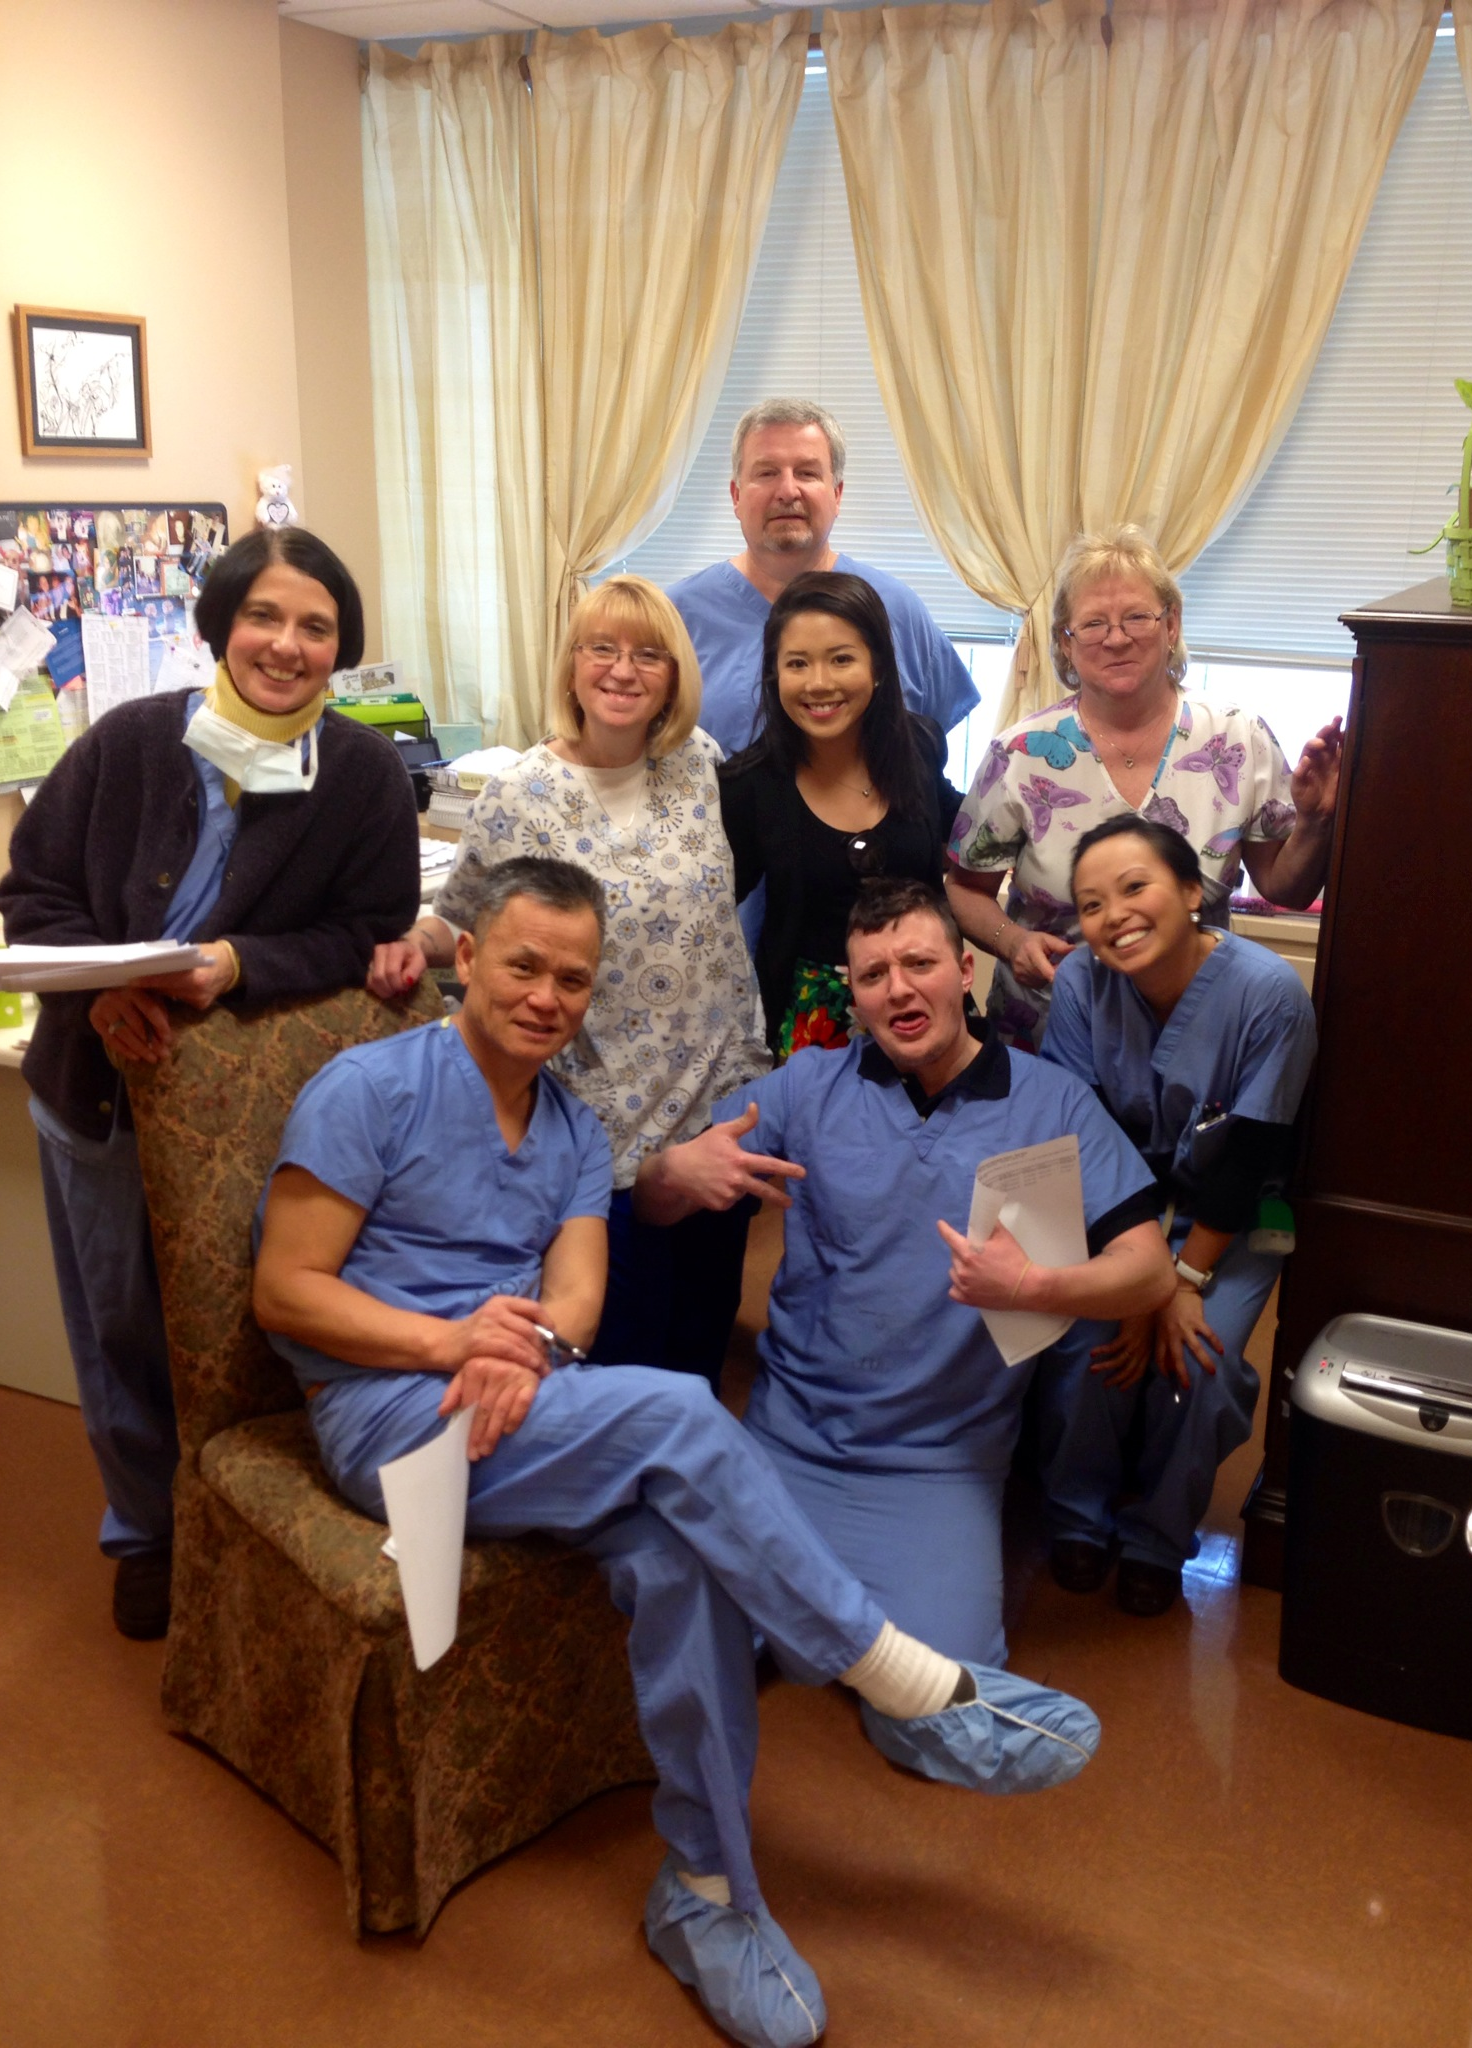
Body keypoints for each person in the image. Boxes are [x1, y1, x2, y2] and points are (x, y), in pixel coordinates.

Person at [253, 856, 1101, 2048]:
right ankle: (891, 1667)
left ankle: (706, 1891)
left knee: (681, 1548)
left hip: (527, 1397)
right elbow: (285, 1292)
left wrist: (522, 1345)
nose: (546, 995)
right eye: (523, 965)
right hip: (392, 1413)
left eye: (572, 978)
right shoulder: (368, 1089)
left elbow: (579, 1305)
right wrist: (454, 1343)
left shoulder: (569, 1127)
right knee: (681, 1411)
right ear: (469, 956)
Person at [0, 526, 419, 1640]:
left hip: (245, 1106)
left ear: (344, 645)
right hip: (96, 1081)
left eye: (316, 626)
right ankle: (145, 1530)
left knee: (241, 1323)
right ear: (220, 626)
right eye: (265, 617)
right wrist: (100, 991)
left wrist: (240, 963)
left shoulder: (366, 774)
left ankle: (236, 1514)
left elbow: (368, 929)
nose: (287, 644)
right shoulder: (131, 740)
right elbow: (30, 886)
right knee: (123, 1320)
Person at [633, 878, 1176, 1668]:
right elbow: (653, 1207)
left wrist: (1033, 1288)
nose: (899, 989)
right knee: (680, 1645)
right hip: (791, 1439)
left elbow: (1150, 1273)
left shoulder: (1052, 1105)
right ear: (852, 994)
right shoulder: (807, 1087)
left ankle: (839, 1604)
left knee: (936, 1702)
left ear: (964, 970)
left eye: (918, 963)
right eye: (873, 976)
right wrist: (673, 1172)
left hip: (939, 1462)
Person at [367, 576, 768, 1389]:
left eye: (648, 654)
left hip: (718, 1105)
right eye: (602, 649)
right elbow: (461, 919)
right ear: (573, 665)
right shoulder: (521, 792)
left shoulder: (699, 766)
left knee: (699, 1340)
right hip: (596, 1127)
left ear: (674, 675)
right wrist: (413, 939)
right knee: (608, 1356)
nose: (623, 670)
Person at [1036, 815, 1318, 1616]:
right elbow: (1081, 1140)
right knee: (1086, 1337)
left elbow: (1252, 1152)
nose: (1113, 915)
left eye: (1135, 887)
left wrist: (1178, 1280)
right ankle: (1077, 1516)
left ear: (1193, 892)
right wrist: (1132, 1278)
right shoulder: (1083, 987)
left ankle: (1159, 1535)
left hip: (1232, 1213)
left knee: (1203, 1357)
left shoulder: (1267, 995)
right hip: (1118, 1211)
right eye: (1090, 904)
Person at [946, 524, 1343, 1050]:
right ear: (1066, 642)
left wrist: (1315, 822)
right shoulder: (1019, 755)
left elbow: (1284, 887)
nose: (1116, 637)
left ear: (1171, 624)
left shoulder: (1237, 738)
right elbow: (963, 887)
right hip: (1048, 1032)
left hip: (1195, 1033)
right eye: (1092, 624)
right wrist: (1013, 942)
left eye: (1137, 616)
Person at [718, 572, 965, 1056]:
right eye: (797, 663)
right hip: (812, 1024)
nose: (818, 684)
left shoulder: (919, 745)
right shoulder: (748, 785)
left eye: (841, 659)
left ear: (877, 667)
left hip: (927, 1002)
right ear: (774, 674)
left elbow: (970, 836)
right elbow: (707, 912)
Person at [669, 398, 979, 760]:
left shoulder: (898, 609)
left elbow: (927, 752)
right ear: (736, 496)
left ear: (837, 494)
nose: (787, 491)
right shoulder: (676, 617)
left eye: (807, 472)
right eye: (767, 473)